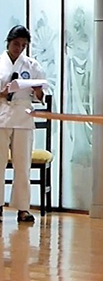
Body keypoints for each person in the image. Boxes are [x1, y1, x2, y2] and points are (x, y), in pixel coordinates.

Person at [0, 26, 46, 223]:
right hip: (2, 113)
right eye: (16, 44)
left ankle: (23, 209)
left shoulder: (32, 65)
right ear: (8, 42)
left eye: (23, 45)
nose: (19, 48)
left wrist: (36, 89)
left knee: (22, 164)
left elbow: (41, 96)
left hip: (24, 114)